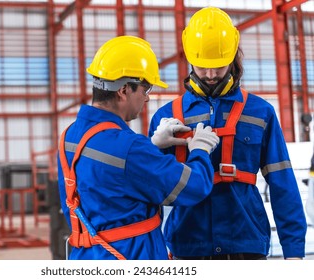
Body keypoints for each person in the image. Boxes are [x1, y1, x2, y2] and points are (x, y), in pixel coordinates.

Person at [149, 7, 307, 260]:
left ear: (232, 57)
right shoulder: (167, 118)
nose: (210, 75)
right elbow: (149, 189)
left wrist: (294, 252)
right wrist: (153, 148)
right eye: (202, 67)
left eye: (218, 67)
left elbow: (282, 183)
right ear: (189, 59)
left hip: (246, 243)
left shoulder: (260, 112)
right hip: (187, 246)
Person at [57, 35, 219, 260]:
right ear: (124, 90)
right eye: (145, 90)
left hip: (86, 257)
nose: (147, 99)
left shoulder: (69, 137)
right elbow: (194, 186)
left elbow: (106, 182)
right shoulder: (130, 148)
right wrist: (200, 150)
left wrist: (151, 147)